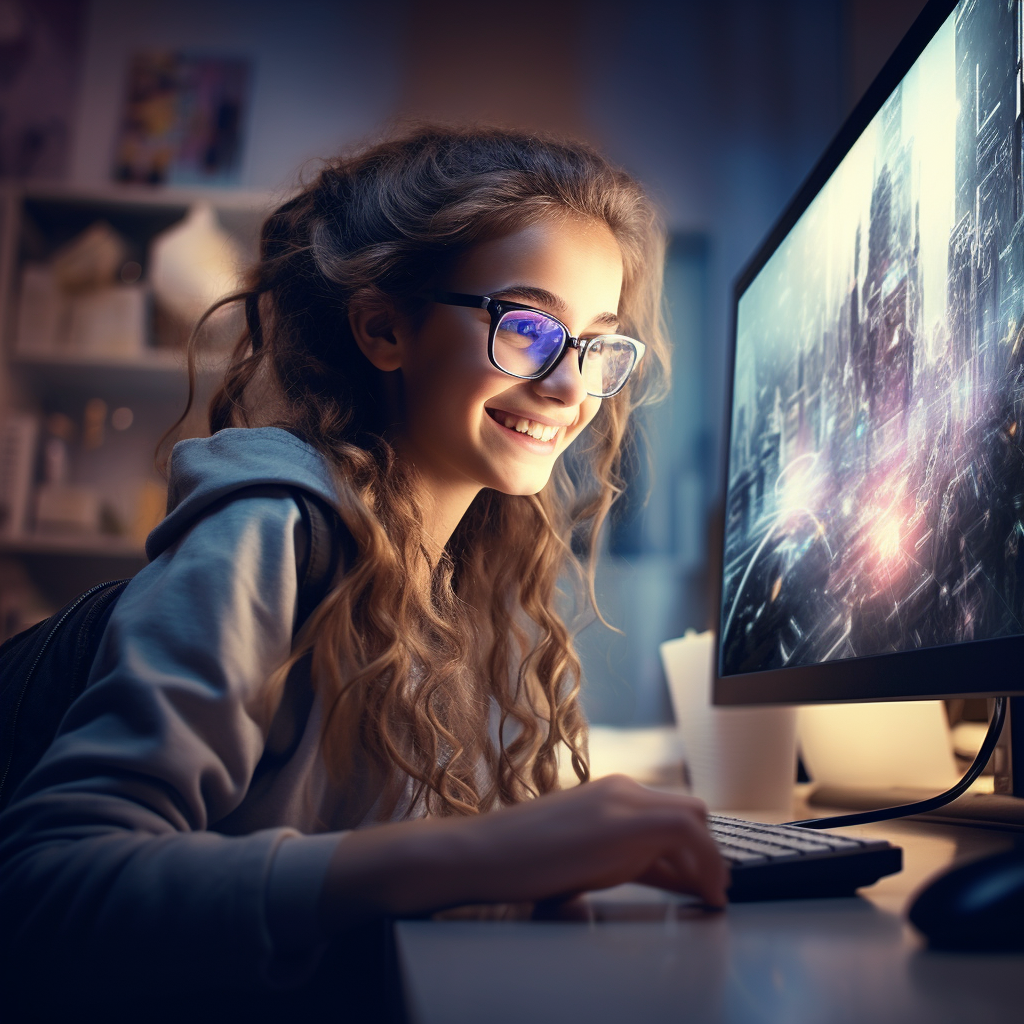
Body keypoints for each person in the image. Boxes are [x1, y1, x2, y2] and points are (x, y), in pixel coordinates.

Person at [0, 125, 727, 1008]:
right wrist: (481, 854)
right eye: (529, 327)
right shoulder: (271, 531)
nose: (570, 387)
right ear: (385, 328)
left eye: (594, 344)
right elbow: (46, 883)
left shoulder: (461, 581)